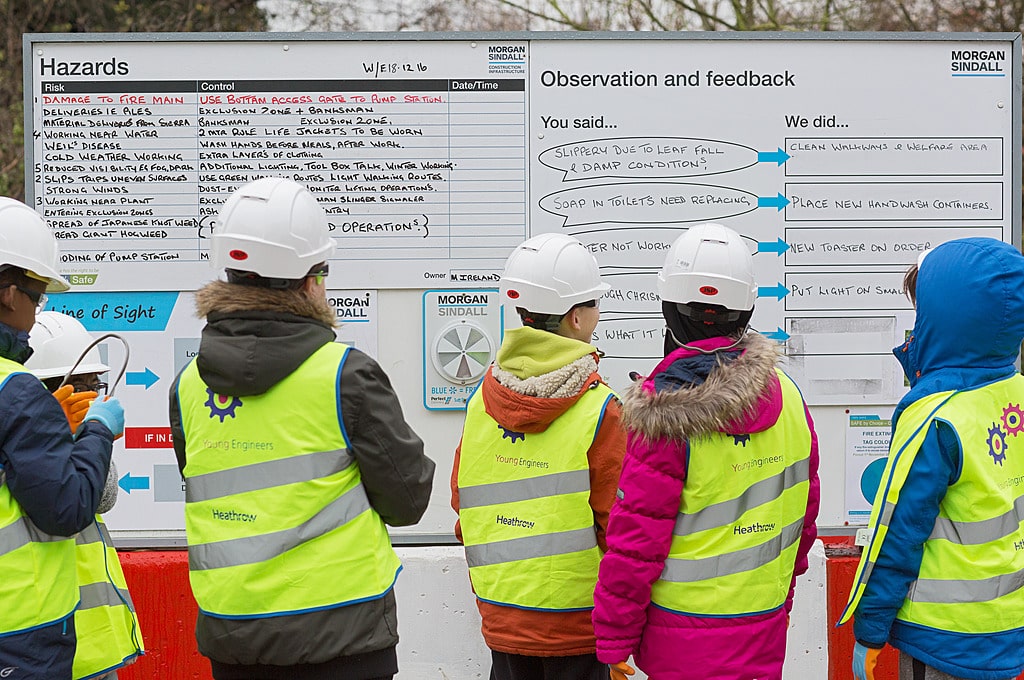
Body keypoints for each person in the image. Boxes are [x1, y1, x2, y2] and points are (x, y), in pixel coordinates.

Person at [169, 176, 435, 680]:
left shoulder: (187, 385)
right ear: (311, 280)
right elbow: (407, 502)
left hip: (234, 635)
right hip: (343, 635)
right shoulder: (346, 375)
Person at [592, 223, 820, 680]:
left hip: (681, 639)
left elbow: (636, 544)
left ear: (668, 311)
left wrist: (614, 639)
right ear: (747, 308)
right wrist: (781, 596)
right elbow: (804, 515)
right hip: (763, 624)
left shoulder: (661, 416)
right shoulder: (789, 396)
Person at [840, 237, 1024, 680]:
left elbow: (897, 531)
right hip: (1006, 624)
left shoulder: (934, 417)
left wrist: (870, 630)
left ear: (942, 320)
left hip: (942, 636)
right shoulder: (1013, 392)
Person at [451, 232, 626, 680]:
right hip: (578, 624)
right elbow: (617, 524)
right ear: (575, 318)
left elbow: (462, 503)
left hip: (501, 615)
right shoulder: (599, 409)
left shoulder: (482, 400)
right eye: (593, 303)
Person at [0, 197, 124, 678]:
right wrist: (95, 432)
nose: (36, 310)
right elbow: (67, 507)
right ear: (10, 292)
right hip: (19, 633)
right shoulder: (15, 388)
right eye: (37, 295)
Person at [26, 311, 144, 680]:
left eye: (95, 382)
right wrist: (51, 434)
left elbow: (104, 496)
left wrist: (86, 436)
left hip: (92, 643)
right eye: (80, 383)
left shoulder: (73, 429)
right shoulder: (20, 439)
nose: (91, 392)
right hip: (40, 641)